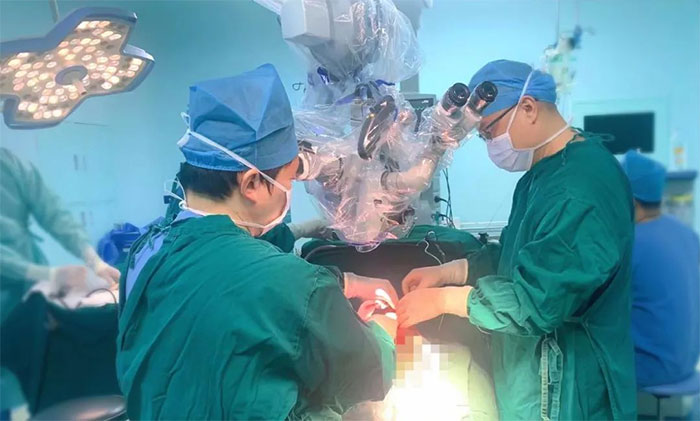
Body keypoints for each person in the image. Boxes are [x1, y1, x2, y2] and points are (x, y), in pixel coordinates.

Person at [116, 64, 397, 420]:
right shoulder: (292, 283)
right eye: (289, 178)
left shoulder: (146, 250)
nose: (290, 189)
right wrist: (384, 330)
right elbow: (368, 374)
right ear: (252, 183)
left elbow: (228, 276)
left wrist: (344, 280)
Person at [395, 60, 637, 419]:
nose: (490, 144)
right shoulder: (542, 175)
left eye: (490, 131)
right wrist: (451, 272)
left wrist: (446, 300)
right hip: (534, 371)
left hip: (569, 388)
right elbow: (519, 257)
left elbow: (537, 301)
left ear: (528, 108)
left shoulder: (578, 191)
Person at [0, 147, 121, 415]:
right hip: (13, 299)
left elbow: (54, 213)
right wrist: (45, 275)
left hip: (29, 297)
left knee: (34, 377)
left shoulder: (9, 164)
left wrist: (94, 261)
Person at [621, 150, 700, 389]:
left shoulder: (630, 243)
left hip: (650, 369)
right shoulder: (686, 233)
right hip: (687, 363)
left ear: (631, 201)